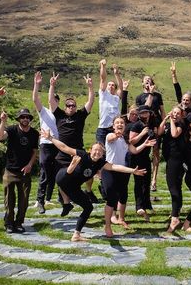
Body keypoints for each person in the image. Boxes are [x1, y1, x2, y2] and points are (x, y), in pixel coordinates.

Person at [41, 129, 146, 242]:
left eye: (100, 152)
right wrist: (50, 138)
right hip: (63, 177)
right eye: (95, 150)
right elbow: (64, 148)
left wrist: (132, 171)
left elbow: (115, 167)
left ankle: (76, 234)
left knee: (88, 207)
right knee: (67, 174)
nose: (97, 153)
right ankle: (70, 169)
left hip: (73, 188)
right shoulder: (83, 154)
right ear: (90, 150)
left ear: (102, 154)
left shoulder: (100, 163)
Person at [49, 73, 99, 203]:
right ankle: (65, 201)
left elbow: (91, 101)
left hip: (78, 151)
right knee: (60, 176)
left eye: (73, 105)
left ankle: (88, 191)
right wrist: (52, 85)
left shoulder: (80, 115)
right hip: (63, 151)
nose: (71, 107)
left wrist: (90, 87)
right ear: (64, 107)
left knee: (88, 172)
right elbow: (51, 101)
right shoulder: (59, 115)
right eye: (68, 105)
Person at [103, 116, 156, 237]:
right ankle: (108, 224)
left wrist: (145, 145)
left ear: (125, 125)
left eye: (122, 123)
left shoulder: (125, 140)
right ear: (113, 126)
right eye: (117, 123)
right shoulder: (109, 136)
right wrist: (117, 134)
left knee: (123, 195)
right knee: (112, 197)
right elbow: (111, 138)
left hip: (122, 170)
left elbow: (135, 150)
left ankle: (121, 219)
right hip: (109, 169)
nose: (120, 124)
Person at [0, 109, 39, 234]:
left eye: (27, 117)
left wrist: (30, 165)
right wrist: (3, 121)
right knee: (9, 199)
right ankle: (9, 223)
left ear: (30, 119)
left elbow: (34, 151)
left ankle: (19, 222)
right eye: (22, 117)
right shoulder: (12, 129)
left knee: (24, 200)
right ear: (19, 118)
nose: (25, 119)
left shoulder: (34, 133)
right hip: (10, 170)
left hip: (25, 171)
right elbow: (0, 137)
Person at [32, 71, 59, 214]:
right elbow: (35, 99)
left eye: (56, 99)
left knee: (58, 173)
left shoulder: (61, 114)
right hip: (46, 145)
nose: (53, 101)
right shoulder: (44, 112)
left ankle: (63, 200)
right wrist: (37, 85)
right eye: (52, 99)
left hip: (59, 146)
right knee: (44, 173)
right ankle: (40, 201)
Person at [158, 105, 187, 233]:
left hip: (176, 160)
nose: (175, 115)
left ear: (181, 115)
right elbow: (159, 132)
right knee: (176, 187)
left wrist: (171, 121)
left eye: (177, 113)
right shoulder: (169, 123)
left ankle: (175, 217)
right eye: (173, 112)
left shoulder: (181, 125)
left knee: (172, 187)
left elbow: (174, 134)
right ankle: (176, 213)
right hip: (170, 159)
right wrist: (165, 119)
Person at [135, 75, 165, 193]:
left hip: (156, 125)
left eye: (150, 80)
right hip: (145, 126)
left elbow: (162, 111)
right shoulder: (139, 97)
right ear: (142, 83)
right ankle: (143, 176)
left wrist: (164, 124)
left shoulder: (158, 96)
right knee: (144, 151)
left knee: (156, 151)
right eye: (145, 80)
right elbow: (144, 109)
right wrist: (150, 94)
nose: (148, 81)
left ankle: (154, 179)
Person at [128, 105, 156, 221]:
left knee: (146, 181)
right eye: (142, 113)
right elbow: (131, 141)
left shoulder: (150, 124)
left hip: (145, 156)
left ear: (149, 113)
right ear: (139, 114)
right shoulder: (137, 125)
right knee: (139, 182)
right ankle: (139, 206)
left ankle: (145, 205)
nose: (144, 115)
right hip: (136, 156)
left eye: (146, 112)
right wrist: (142, 133)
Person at [96, 59, 123, 145]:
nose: (111, 86)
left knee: (113, 152)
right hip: (103, 128)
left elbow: (121, 87)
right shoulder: (103, 94)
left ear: (115, 88)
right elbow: (103, 79)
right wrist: (103, 66)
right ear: (106, 86)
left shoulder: (116, 98)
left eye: (113, 85)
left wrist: (116, 74)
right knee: (101, 151)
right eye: (109, 84)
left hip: (114, 128)